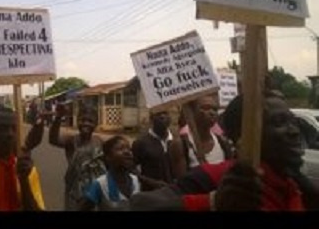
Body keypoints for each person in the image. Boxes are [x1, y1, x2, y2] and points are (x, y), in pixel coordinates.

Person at [130, 91, 319, 211]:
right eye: (278, 123)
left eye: (292, 121)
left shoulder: (295, 185)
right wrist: (213, 201)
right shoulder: (219, 176)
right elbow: (139, 204)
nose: (295, 131)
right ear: (243, 134)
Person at [49, 103, 107, 211]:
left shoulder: (100, 142)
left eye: (90, 121)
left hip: (95, 192)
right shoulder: (72, 140)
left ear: (96, 123)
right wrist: (58, 117)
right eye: (82, 120)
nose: (86, 123)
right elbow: (53, 140)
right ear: (77, 120)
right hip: (75, 193)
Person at [172, 95, 235, 177]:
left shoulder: (223, 143)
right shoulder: (181, 145)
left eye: (215, 109)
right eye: (205, 108)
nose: (212, 112)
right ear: (192, 112)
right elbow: (182, 182)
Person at [81, 135, 141, 211]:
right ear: (108, 157)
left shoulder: (135, 180)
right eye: (120, 149)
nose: (127, 152)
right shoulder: (100, 184)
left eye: (129, 149)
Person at [132, 110, 176, 190]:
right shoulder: (140, 143)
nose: (162, 116)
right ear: (151, 119)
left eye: (165, 113)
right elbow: (132, 170)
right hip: (151, 193)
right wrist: (151, 182)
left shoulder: (177, 141)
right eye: (158, 114)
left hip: (175, 194)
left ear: (170, 118)